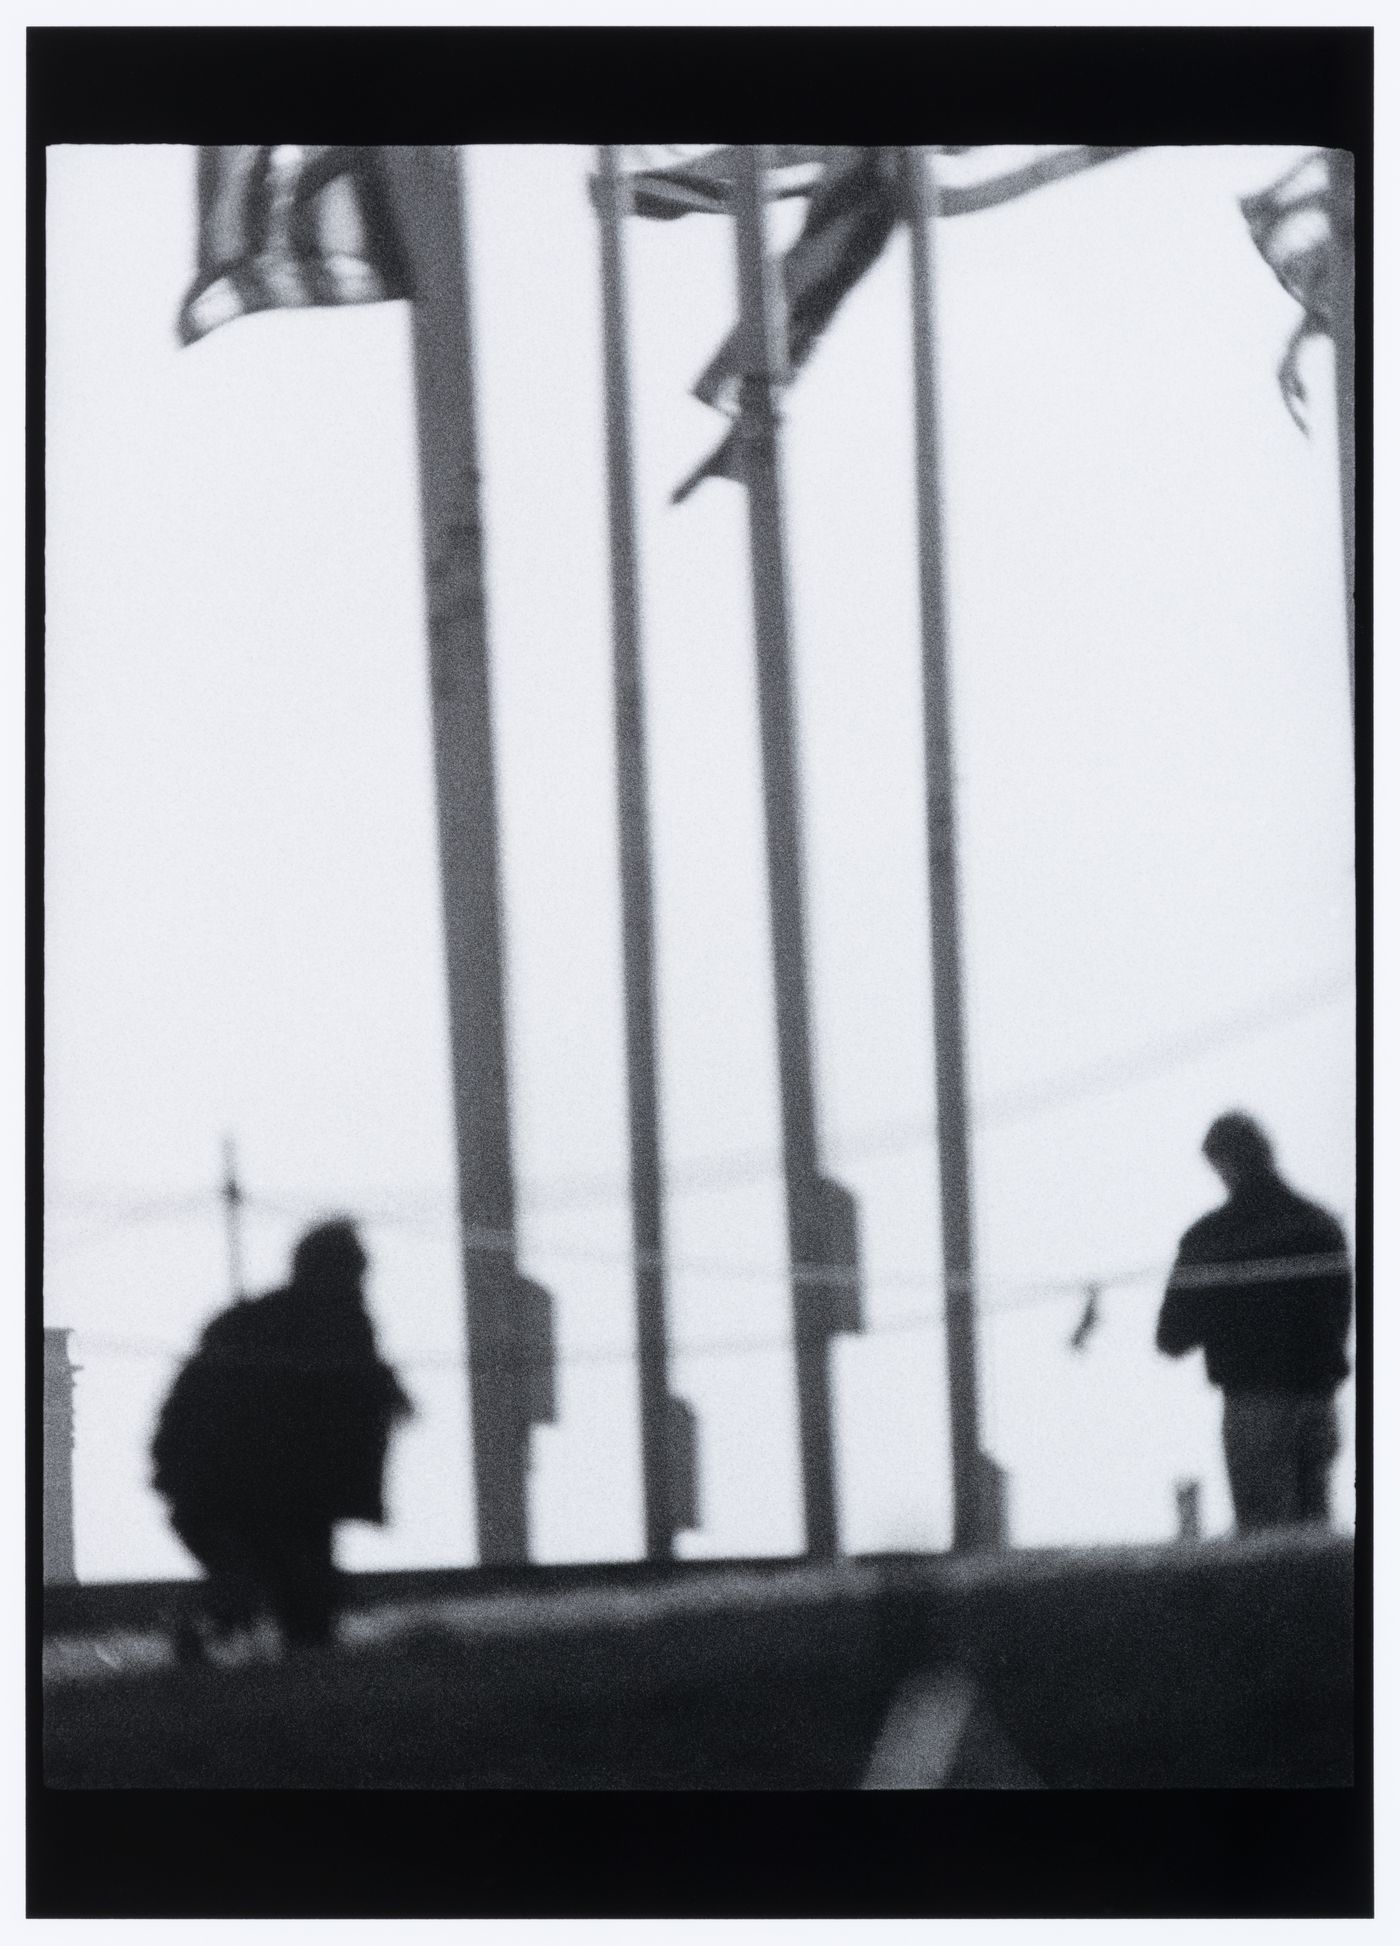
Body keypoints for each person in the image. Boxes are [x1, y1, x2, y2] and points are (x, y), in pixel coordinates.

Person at [151, 1218, 412, 1656]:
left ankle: (216, 1628)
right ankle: (216, 1627)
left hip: (234, 1490)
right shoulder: (332, 1328)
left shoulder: (255, 1322)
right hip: (258, 1493)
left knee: (288, 1600)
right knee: (294, 1605)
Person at [1156, 1112, 1351, 1533]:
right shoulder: (1321, 1226)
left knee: (1265, 1544)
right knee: (1314, 1544)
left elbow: (1171, 1337)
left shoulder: (1210, 1238)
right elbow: (1341, 1315)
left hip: (1253, 1404)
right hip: (1317, 1402)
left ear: (1223, 1162)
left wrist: (1223, 1312)